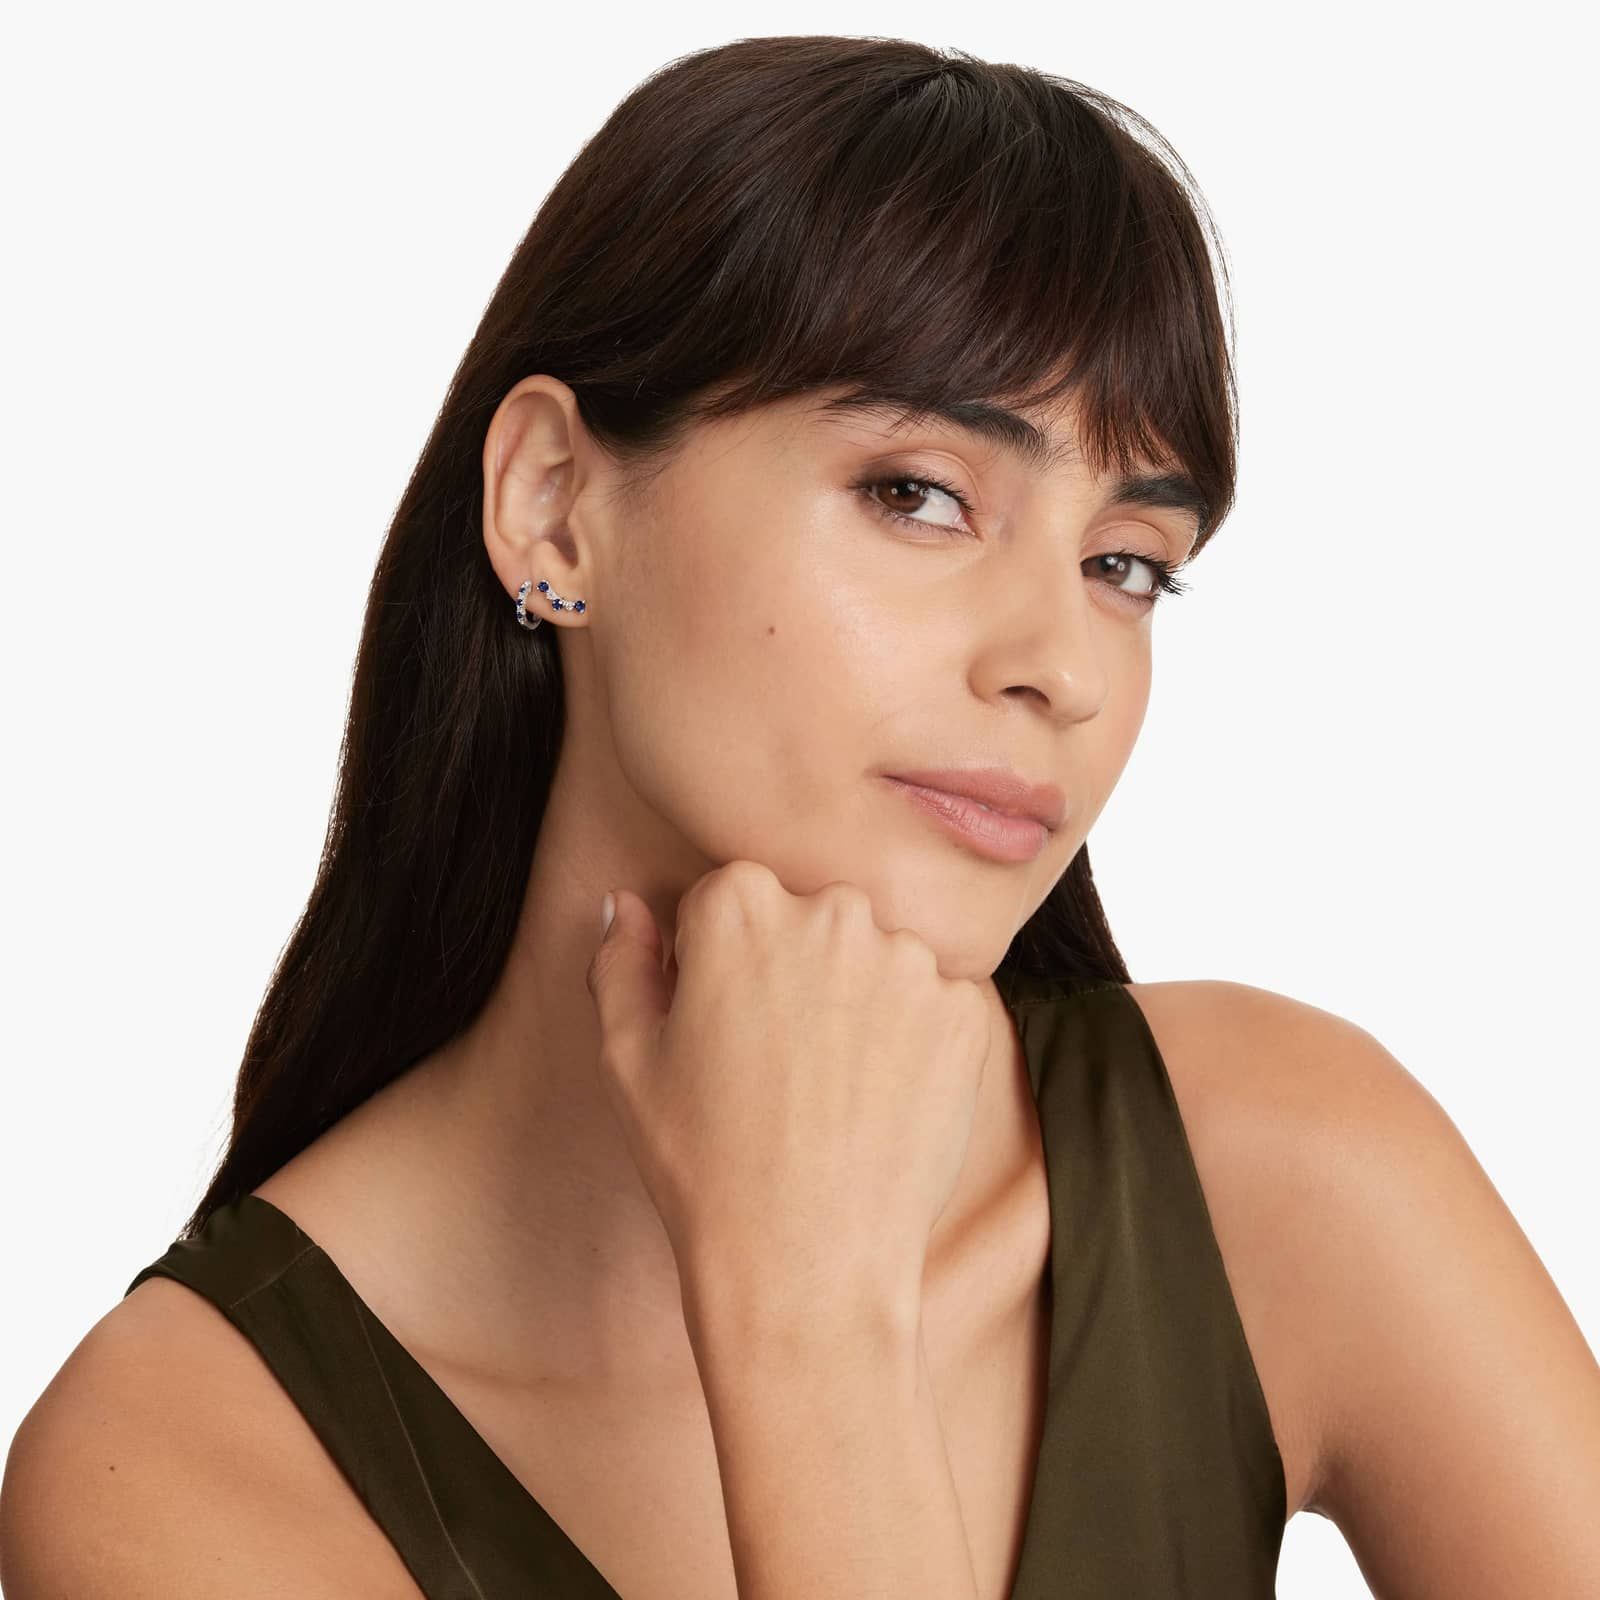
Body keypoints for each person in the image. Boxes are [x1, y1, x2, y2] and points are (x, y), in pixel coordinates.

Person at [4, 33, 1597, 1600]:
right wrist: (810, 1312)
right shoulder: (184, 1461)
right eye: (919, 494)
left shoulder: (1279, 1167)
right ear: (554, 503)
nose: (1060, 667)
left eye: (1124, 564)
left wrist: (816, 1313)